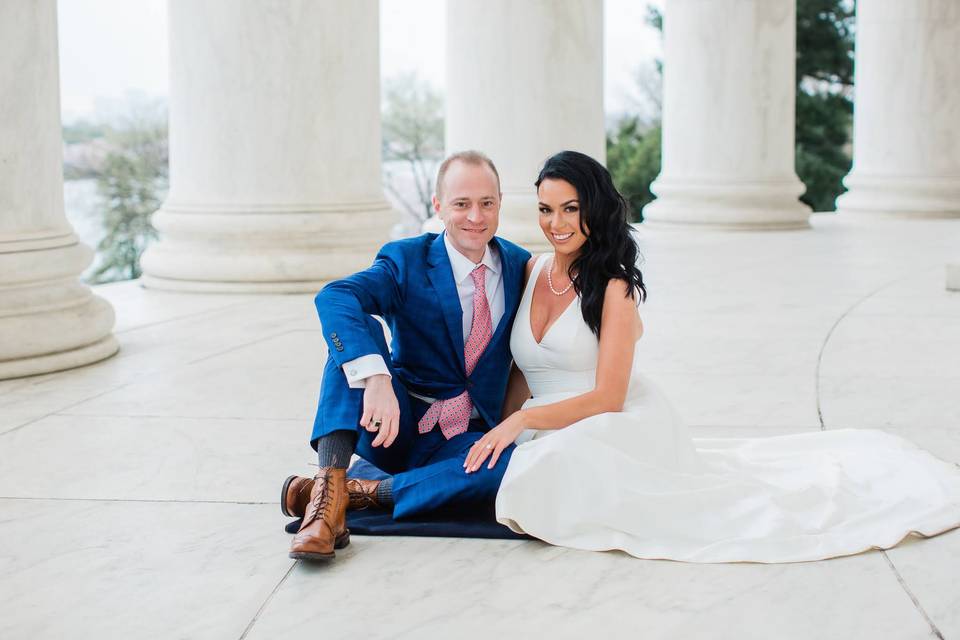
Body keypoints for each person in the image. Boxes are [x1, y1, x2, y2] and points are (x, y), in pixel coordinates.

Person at [463, 150, 960, 563]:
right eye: (546, 209)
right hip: (541, 420)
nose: (556, 223)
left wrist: (524, 421)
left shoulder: (613, 288)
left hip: (605, 420)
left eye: (570, 209)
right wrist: (504, 426)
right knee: (523, 470)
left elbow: (610, 396)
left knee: (551, 472)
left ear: (592, 208)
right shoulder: (530, 269)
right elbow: (524, 372)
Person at [282, 150, 530, 561]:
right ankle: (326, 503)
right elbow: (337, 296)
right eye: (461, 204)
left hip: (464, 436)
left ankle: (361, 493)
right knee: (356, 341)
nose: (475, 216)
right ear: (438, 206)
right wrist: (377, 379)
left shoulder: (520, 267)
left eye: (487, 203)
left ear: (500, 201)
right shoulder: (406, 260)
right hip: (393, 423)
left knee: (515, 463)